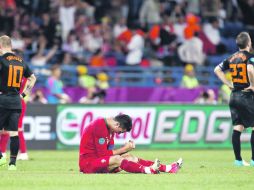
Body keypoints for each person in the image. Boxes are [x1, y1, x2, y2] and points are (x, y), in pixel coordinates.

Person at [79, 114, 183, 174]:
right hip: (88, 164)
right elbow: (104, 155)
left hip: (100, 163)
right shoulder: (99, 126)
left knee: (129, 157)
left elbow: (109, 153)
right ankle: (149, 170)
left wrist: (125, 151)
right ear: (117, 124)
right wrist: (124, 149)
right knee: (117, 159)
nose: (119, 133)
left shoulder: (110, 130)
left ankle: (168, 168)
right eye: (120, 131)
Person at [214, 32, 254, 166]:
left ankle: (238, 160)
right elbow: (250, 69)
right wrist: (253, 85)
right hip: (246, 96)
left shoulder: (230, 58)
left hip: (234, 96)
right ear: (249, 43)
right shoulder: (250, 57)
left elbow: (216, 70)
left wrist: (228, 84)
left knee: (238, 127)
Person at [0, 35, 36, 170]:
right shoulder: (21, 61)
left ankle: (1, 157)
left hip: (3, 99)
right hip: (16, 101)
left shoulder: (1, 60)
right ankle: (12, 164)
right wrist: (24, 94)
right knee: (14, 133)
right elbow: (32, 78)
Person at [0, 78, 30, 160]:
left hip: (15, 101)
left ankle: (23, 153)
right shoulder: (24, 75)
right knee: (6, 128)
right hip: (13, 101)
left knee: (17, 128)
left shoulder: (17, 75)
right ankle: (3, 152)